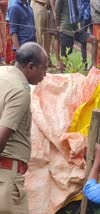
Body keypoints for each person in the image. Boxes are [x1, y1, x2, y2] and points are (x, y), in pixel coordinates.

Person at [0, 42, 48, 213]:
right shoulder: (20, 92)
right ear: (31, 67)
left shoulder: (3, 75)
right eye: (44, 69)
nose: (45, 75)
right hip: (6, 178)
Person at [55, 0, 98, 69]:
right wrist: (58, 27)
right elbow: (57, 14)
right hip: (66, 30)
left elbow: (79, 13)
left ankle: (94, 66)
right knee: (67, 61)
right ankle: (63, 70)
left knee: (94, 40)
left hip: (75, 29)